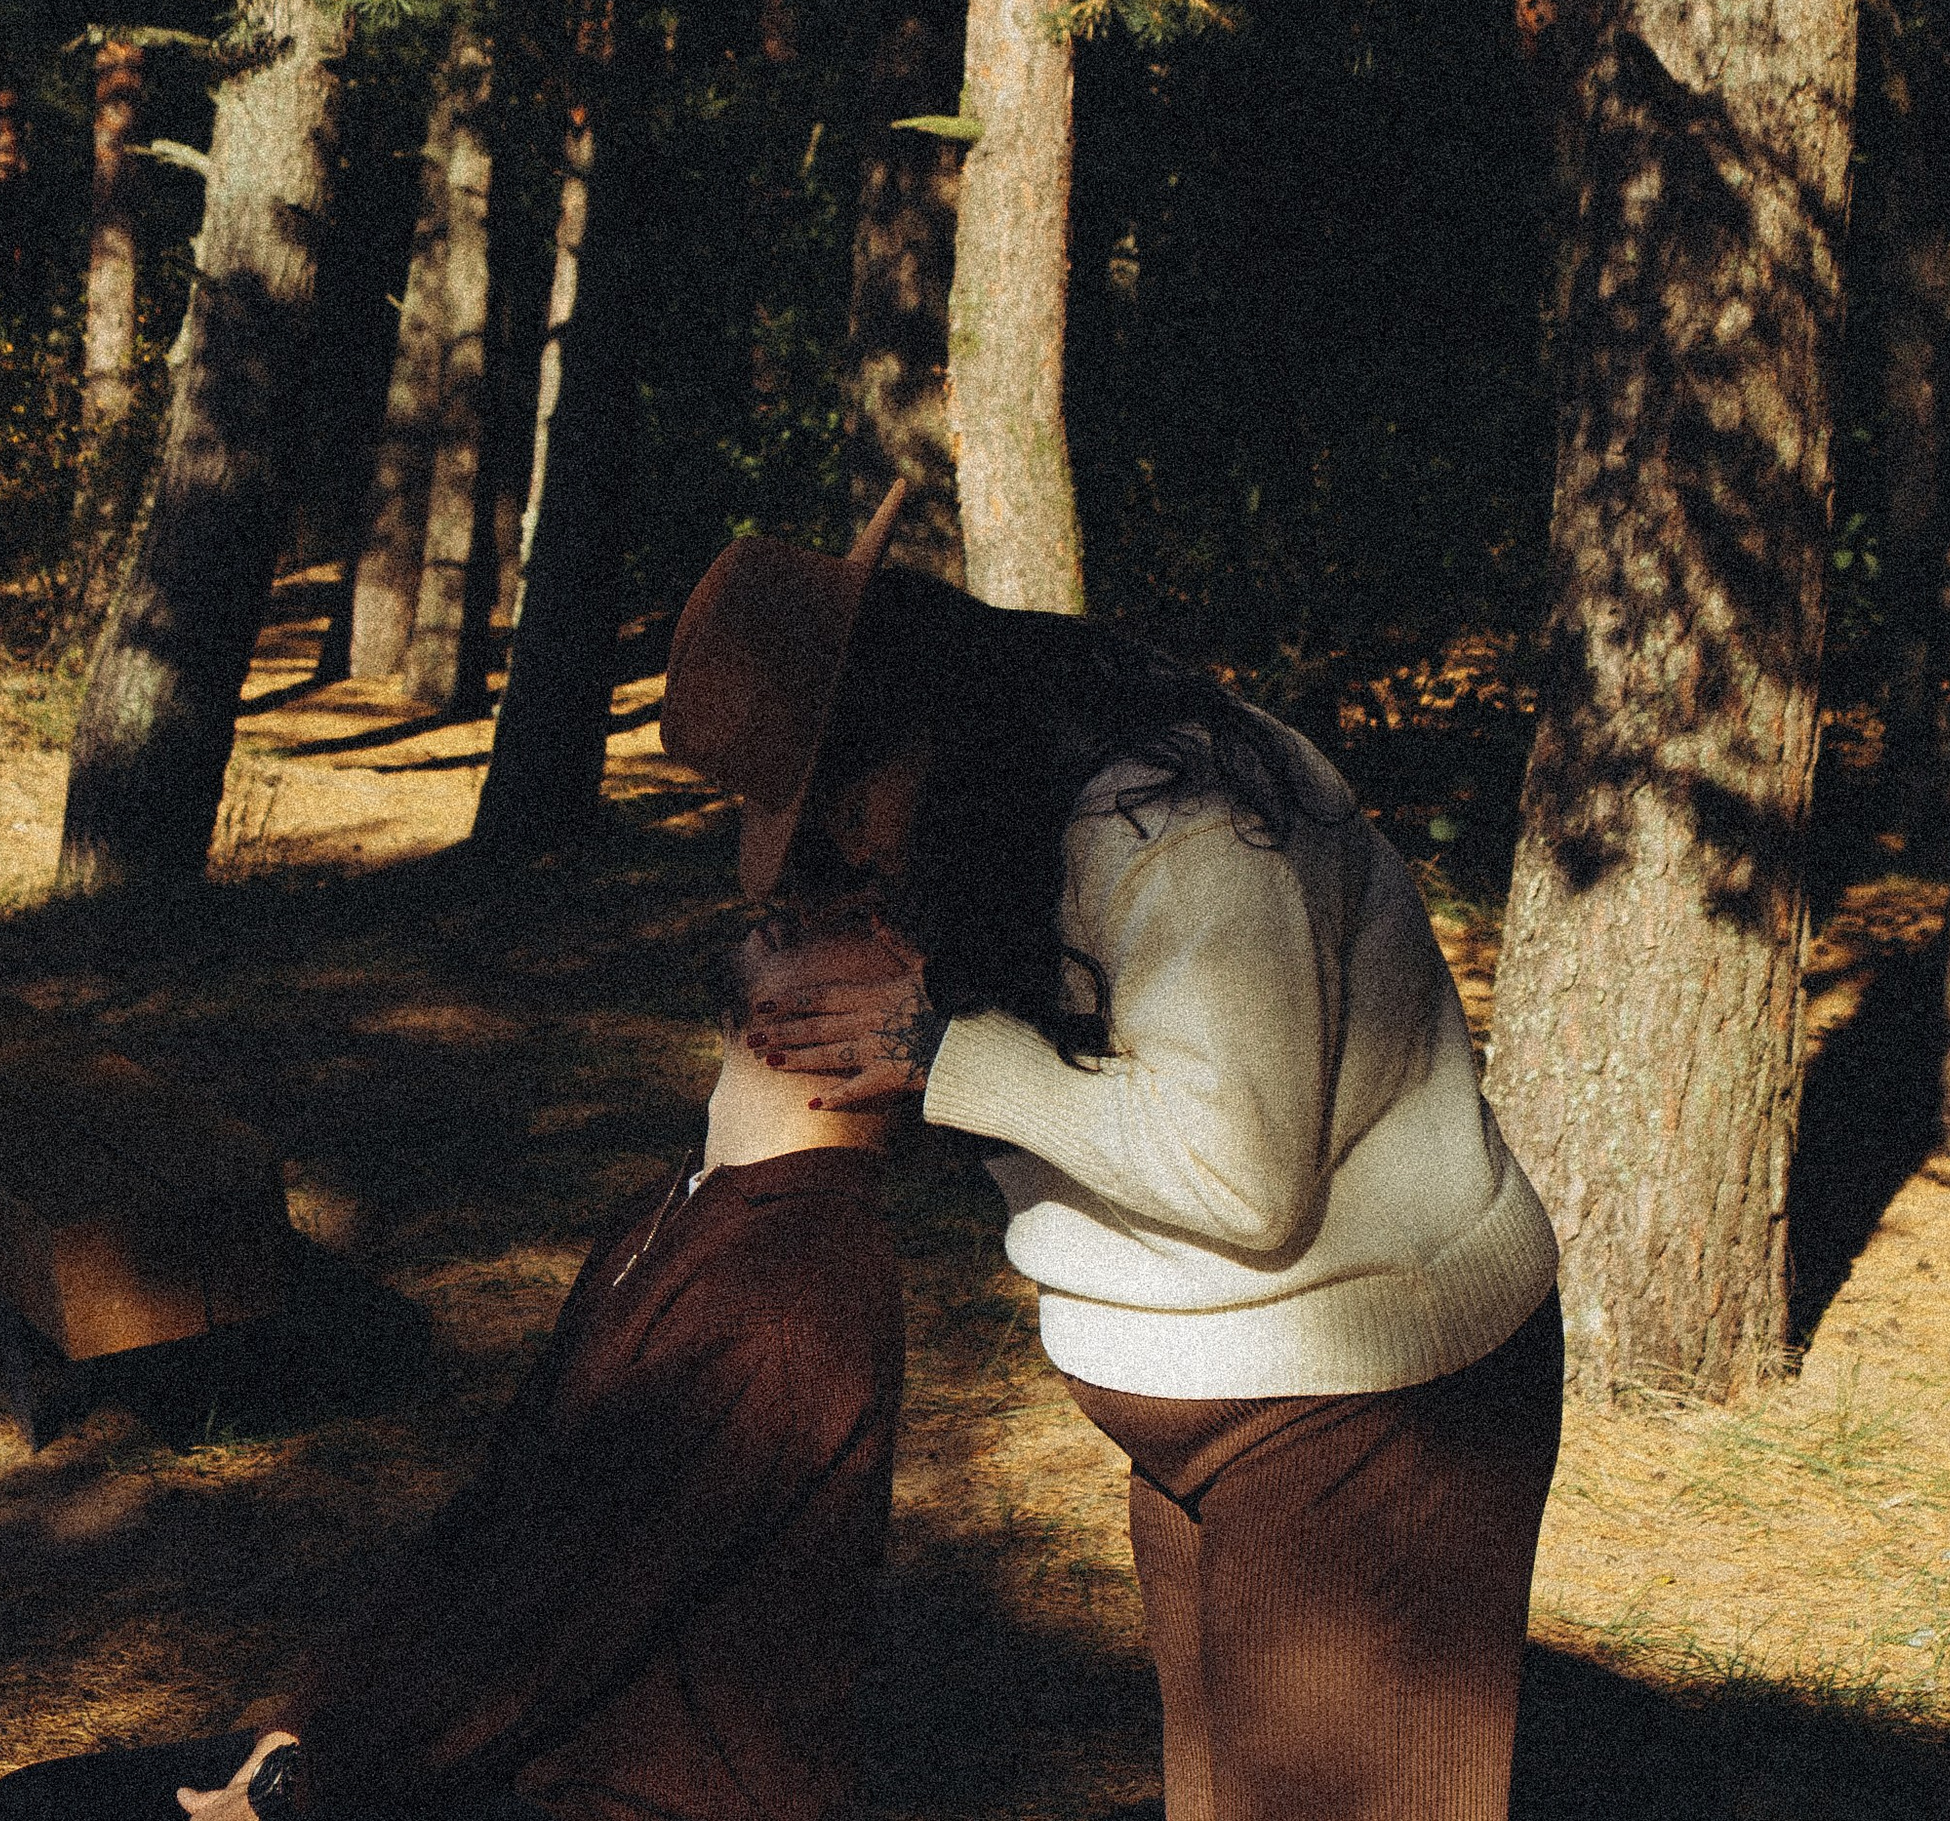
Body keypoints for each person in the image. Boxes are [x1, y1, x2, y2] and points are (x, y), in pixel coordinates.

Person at [660, 503, 1562, 1821]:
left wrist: (946, 1054)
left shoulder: (1187, 829)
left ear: (931, 727)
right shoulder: (1010, 821)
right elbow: (1090, 1088)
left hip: (1369, 1406)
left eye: (845, 803)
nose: (845, 849)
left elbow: (1240, 1179)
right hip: (1214, 1409)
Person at [0, 913, 907, 1821]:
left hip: (609, 1795)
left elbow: (563, 1614)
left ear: (898, 1027)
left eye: (871, 922)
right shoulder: (685, 1208)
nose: (800, 909)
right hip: (510, 1748)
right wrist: (305, 1723)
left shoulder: (792, 1287)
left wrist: (304, 1790)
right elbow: (495, 1533)